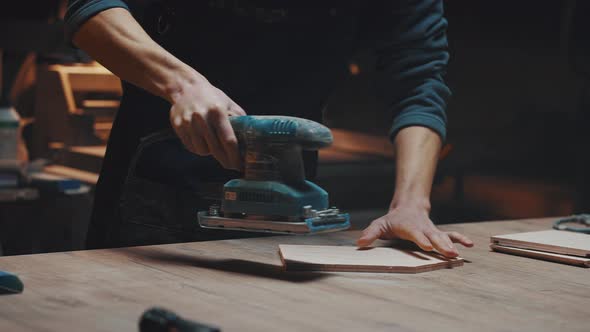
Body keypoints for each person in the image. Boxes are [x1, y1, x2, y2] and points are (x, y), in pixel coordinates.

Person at [65, 0, 473, 256]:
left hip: (289, 213)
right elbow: (90, 8)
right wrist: (182, 84)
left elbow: (419, 79)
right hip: (150, 197)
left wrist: (411, 206)